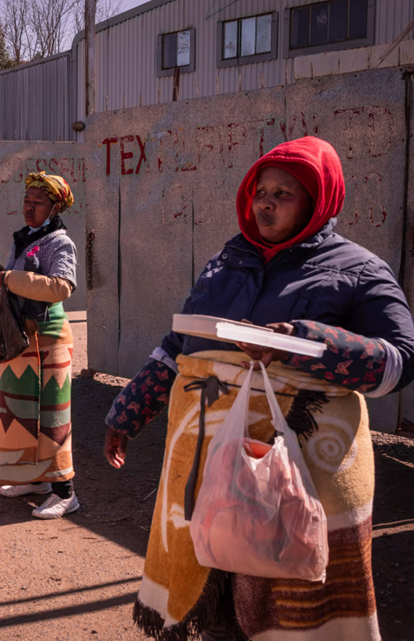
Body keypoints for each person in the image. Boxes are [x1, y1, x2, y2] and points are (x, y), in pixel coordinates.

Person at [103, 137, 414, 641]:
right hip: (209, 468)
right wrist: (128, 412)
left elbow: (399, 361)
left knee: (287, 598)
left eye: (283, 194)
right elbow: (180, 345)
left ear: (318, 201)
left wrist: (303, 342)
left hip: (295, 475)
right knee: (216, 587)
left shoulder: (359, 269)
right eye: (260, 192)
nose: (265, 203)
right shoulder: (228, 260)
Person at [0, 172, 80, 520]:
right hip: (20, 337)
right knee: (20, 412)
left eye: (38, 202)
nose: (29, 207)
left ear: (55, 207)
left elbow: (61, 287)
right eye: (27, 200)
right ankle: (34, 480)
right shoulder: (23, 239)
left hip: (49, 338)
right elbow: (15, 289)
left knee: (52, 415)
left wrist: (10, 278)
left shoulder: (60, 243)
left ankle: (65, 492)